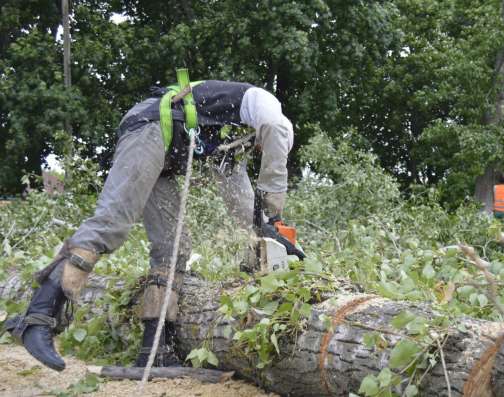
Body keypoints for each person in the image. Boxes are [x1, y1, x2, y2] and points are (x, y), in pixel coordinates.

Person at [5, 74, 294, 371]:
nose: (261, 151)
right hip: (151, 127)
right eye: (267, 149)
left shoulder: (230, 149)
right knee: (112, 222)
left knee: (174, 247)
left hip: (166, 155)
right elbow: (275, 129)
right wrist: (274, 211)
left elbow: (243, 205)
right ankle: (37, 319)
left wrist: (268, 233)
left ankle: (156, 349)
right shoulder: (263, 104)